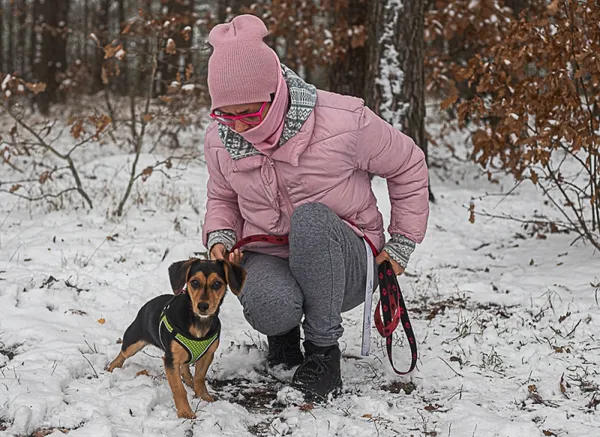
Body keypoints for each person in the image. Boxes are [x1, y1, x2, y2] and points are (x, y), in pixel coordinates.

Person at [202, 14, 429, 399]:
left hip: (345, 260)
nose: (237, 127)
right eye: (227, 114)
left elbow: (408, 163)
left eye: (249, 113)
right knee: (269, 303)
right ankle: (284, 339)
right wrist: (221, 237)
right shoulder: (220, 139)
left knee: (310, 218)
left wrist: (402, 243)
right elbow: (222, 197)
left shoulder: (344, 120)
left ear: (275, 92)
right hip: (269, 255)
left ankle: (324, 355)